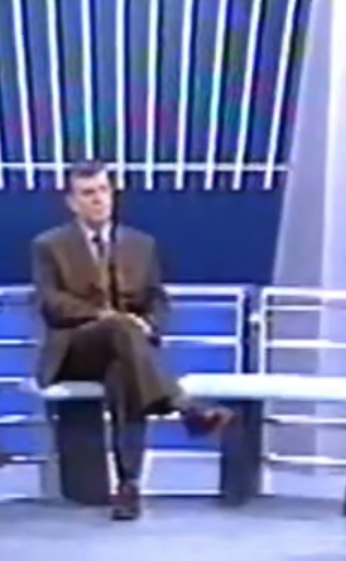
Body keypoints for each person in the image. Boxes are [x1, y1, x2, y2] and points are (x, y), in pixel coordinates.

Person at [31, 162, 232, 521]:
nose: (98, 200)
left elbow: (157, 300)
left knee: (124, 374)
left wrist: (148, 324)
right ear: (72, 202)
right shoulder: (49, 246)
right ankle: (185, 408)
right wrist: (106, 318)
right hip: (76, 349)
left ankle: (129, 486)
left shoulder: (142, 244)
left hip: (127, 352)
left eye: (103, 191)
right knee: (121, 330)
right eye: (88, 193)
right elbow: (52, 303)